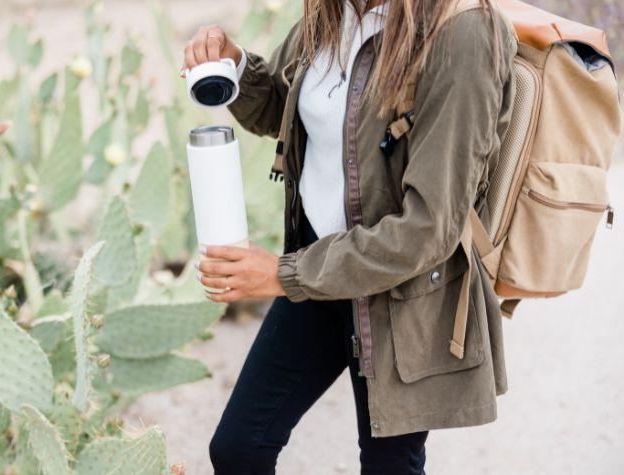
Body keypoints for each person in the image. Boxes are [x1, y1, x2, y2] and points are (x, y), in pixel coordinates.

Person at [182, 0, 516, 472]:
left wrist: (282, 274)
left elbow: (428, 230)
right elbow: (286, 108)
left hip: (401, 297)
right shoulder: (332, 14)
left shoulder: (464, 34)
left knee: (389, 465)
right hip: (320, 271)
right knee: (238, 448)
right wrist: (234, 65)